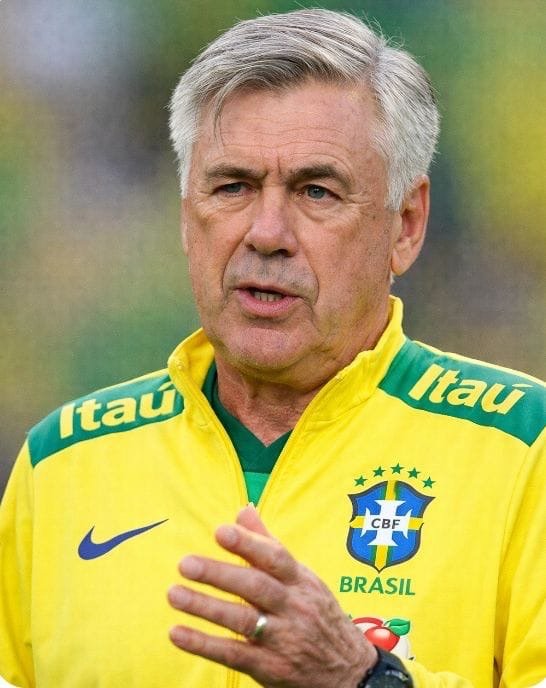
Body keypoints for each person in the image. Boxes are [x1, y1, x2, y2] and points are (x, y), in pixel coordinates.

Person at [1, 8, 545, 688]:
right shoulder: (62, 464)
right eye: (232, 186)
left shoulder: (524, 448)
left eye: (317, 191)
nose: (266, 233)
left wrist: (361, 677)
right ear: (186, 217)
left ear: (405, 225)